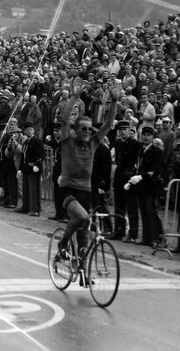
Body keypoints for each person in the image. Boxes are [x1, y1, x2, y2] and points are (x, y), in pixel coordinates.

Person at [55, 81, 120, 262]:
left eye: (88, 129)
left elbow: (108, 124)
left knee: (85, 230)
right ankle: (63, 244)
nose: (85, 132)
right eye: (82, 128)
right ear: (75, 130)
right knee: (83, 218)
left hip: (86, 192)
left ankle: (82, 265)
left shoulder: (93, 143)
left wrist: (114, 102)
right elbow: (65, 119)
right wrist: (75, 97)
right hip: (67, 190)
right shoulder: (67, 141)